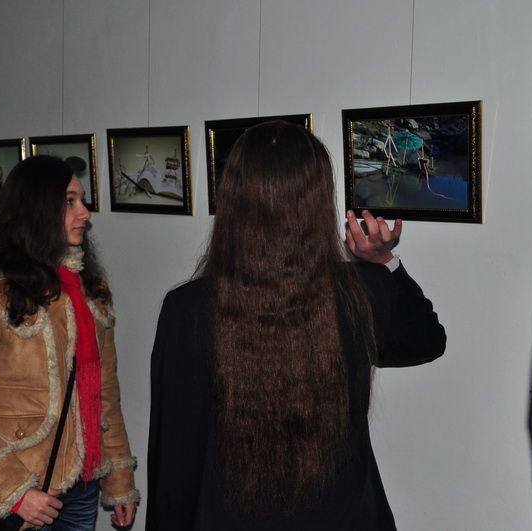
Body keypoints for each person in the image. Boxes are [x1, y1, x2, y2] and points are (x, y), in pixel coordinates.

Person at [146, 121, 446, 530]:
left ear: (232, 197)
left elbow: (174, 454)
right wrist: (384, 262)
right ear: (319, 199)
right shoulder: (362, 290)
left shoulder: (188, 308)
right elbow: (426, 341)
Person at [0, 156, 139, 530]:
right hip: (25, 487)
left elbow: (105, 393)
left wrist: (119, 479)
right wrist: (13, 490)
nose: (85, 213)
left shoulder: (91, 292)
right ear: (37, 209)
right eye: (70, 202)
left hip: (82, 487)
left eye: (82, 200)